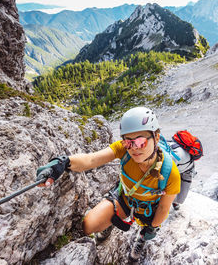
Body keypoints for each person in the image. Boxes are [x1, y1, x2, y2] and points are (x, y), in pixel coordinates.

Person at [36, 107, 181, 262]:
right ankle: (110, 224)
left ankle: (142, 238)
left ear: (156, 137)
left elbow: (164, 207)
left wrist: (152, 226)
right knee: (88, 226)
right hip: (126, 198)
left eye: (141, 141)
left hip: (149, 209)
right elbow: (91, 160)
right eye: (128, 142)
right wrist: (63, 162)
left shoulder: (170, 173)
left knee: (147, 229)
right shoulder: (123, 150)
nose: (134, 148)